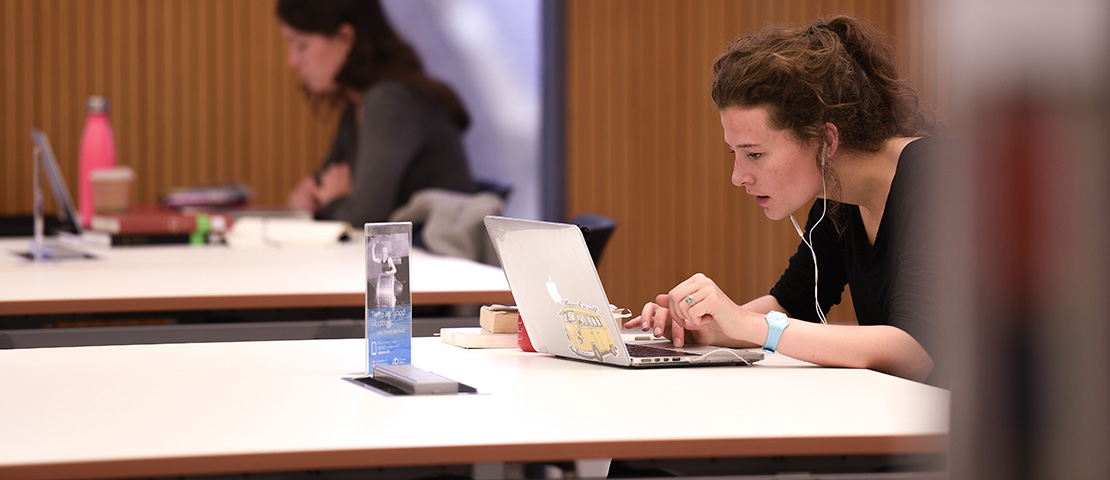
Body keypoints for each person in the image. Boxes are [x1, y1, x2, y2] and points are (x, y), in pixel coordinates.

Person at [625, 15, 943, 384]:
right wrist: (708, 326)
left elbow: (916, 351)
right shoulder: (835, 194)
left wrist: (746, 324)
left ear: (826, 141)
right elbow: (792, 305)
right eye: (734, 154)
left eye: (755, 154)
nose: (738, 176)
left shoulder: (938, 176)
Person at [277, 0, 476, 227]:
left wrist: (332, 200)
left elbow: (363, 219)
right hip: (405, 259)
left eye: (301, 45)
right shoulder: (356, 106)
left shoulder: (390, 101)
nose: (292, 61)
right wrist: (309, 200)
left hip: (434, 259)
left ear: (345, 39)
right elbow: (323, 188)